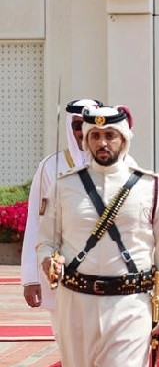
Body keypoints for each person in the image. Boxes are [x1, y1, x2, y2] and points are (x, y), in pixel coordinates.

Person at [36, 105, 159, 367]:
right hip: (76, 306)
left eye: (110, 136)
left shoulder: (151, 188)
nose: (103, 143)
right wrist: (47, 260)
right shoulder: (64, 186)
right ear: (86, 141)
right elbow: (46, 239)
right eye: (95, 136)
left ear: (124, 139)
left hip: (130, 307)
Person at [22, 98, 101, 315]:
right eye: (77, 125)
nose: (82, 131)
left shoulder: (114, 166)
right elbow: (36, 222)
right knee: (67, 343)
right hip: (61, 269)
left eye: (88, 123)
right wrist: (31, 276)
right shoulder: (51, 167)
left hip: (104, 271)